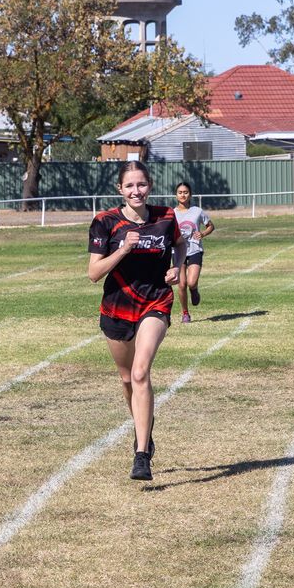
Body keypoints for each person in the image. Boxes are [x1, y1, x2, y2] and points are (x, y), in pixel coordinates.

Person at [88, 160, 186, 482]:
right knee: (127, 379)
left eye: (141, 184)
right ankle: (143, 427)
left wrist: (176, 267)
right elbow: (93, 273)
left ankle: (142, 454)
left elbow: (180, 244)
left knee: (141, 372)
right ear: (120, 189)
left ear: (150, 186)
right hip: (117, 307)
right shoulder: (105, 222)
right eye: (129, 185)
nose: (136, 191)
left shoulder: (166, 217)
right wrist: (123, 250)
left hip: (155, 301)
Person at [173, 182, 215, 323]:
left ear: (190, 195)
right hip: (177, 251)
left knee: (191, 283)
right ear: (176, 195)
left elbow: (210, 226)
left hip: (195, 250)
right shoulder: (171, 213)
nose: (183, 195)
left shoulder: (197, 211)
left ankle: (194, 290)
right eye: (180, 192)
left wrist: (202, 234)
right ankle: (185, 313)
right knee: (181, 284)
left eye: (185, 192)